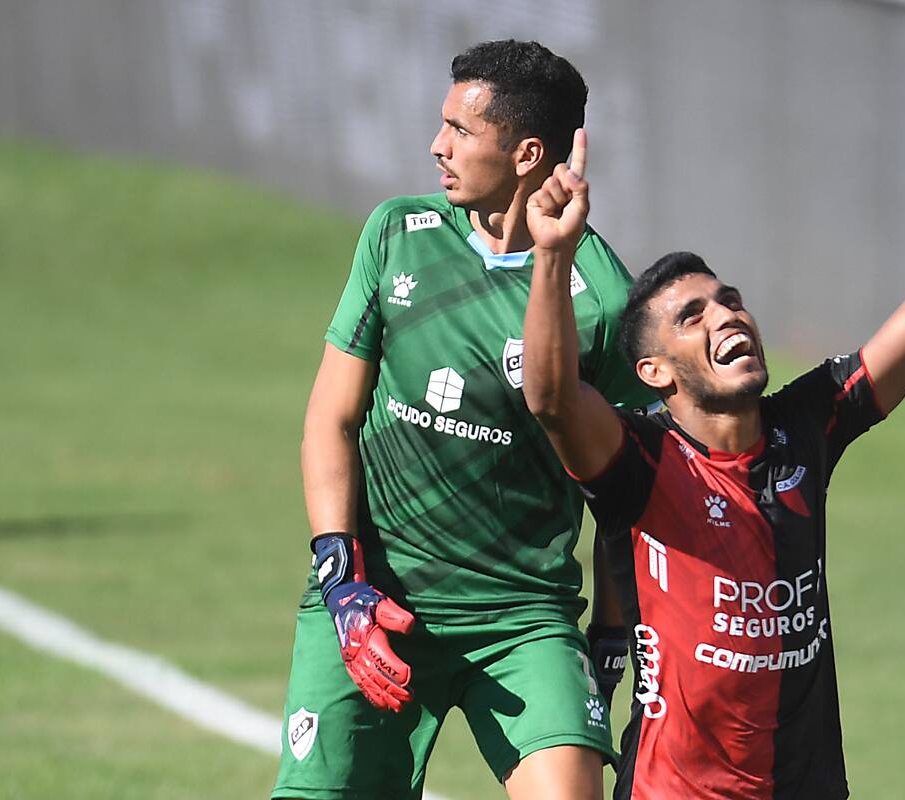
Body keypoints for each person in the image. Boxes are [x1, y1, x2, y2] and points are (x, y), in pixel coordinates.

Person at [521, 53, 905, 799]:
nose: (727, 316)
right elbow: (554, 398)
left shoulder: (806, 424)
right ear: (656, 371)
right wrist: (553, 255)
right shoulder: (641, 461)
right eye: (694, 316)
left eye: (730, 300)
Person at [272, 40, 656, 800]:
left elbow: (627, 495)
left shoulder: (607, 302)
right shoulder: (394, 234)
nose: (436, 146)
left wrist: (614, 637)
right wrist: (341, 579)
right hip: (376, 598)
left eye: (460, 130)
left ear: (526, 154)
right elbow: (331, 418)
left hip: (521, 617)